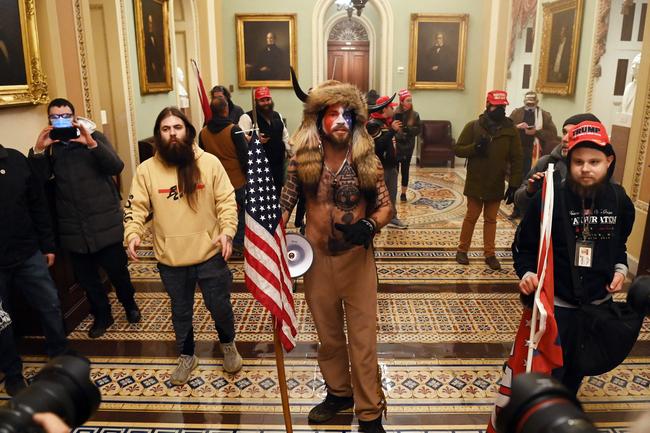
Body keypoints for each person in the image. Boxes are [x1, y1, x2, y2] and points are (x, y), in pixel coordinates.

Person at [281, 75, 393, 433]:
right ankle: (339, 393)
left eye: (346, 114)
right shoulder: (302, 160)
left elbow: (386, 208)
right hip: (316, 262)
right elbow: (285, 204)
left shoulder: (367, 161)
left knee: (362, 340)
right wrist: (268, 239)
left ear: (356, 120)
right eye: (331, 114)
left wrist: (370, 226)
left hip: (356, 263)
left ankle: (370, 412)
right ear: (318, 119)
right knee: (329, 338)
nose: (340, 121)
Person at [513, 120, 635, 395]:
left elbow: (619, 243)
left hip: (596, 307)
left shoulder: (619, 201)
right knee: (547, 376)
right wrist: (527, 273)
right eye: (579, 161)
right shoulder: (550, 198)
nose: (586, 168)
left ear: (609, 160)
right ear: (569, 160)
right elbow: (525, 246)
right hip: (556, 310)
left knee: (576, 371)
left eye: (595, 161)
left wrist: (619, 267)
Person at [124, 107, 241, 385]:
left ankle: (228, 345)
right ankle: (187, 355)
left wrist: (227, 231)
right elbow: (135, 207)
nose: (172, 133)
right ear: (159, 135)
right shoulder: (146, 171)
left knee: (220, 305)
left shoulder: (210, 163)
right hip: (171, 259)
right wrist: (132, 232)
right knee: (180, 311)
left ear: (187, 131)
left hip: (210, 253)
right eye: (166, 129)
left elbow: (226, 202)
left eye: (177, 127)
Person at [29, 98, 140, 339]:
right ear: (49, 121)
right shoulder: (50, 148)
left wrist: (90, 143)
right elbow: (37, 183)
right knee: (87, 279)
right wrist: (39, 150)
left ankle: (129, 304)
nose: (61, 120)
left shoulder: (94, 137)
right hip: (73, 228)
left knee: (117, 272)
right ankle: (102, 314)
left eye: (65, 115)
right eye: (55, 117)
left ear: (74, 117)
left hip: (104, 223)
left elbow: (117, 166)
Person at [0, 144, 69, 396]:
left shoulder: (16, 160)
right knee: (1, 322)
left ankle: (59, 355)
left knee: (50, 304)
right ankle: (12, 373)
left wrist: (48, 245)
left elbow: (38, 205)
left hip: (28, 253)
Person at [454, 90, 522, 270]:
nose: (500, 110)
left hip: (496, 182)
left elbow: (517, 158)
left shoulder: (511, 131)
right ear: (487, 106)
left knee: (491, 219)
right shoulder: (473, 126)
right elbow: (458, 149)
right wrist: (475, 148)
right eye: (496, 106)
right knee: (471, 217)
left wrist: (515, 183)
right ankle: (462, 250)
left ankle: (490, 254)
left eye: (503, 107)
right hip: (476, 181)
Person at [513, 113, 600, 216]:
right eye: (564, 132)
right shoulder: (546, 163)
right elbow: (519, 201)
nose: (564, 139)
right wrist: (529, 191)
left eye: (574, 134)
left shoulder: (600, 171)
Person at [199, 89, 248, 251]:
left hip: (214, 181)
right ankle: (238, 243)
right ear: (226, 109)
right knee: (239, 214)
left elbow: (201, 157)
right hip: (236, 181)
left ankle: (221, 241)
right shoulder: (234, 130)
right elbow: (245, 157)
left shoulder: (203, 133)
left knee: (219, 213)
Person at [508, 91, 558, 218]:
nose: (530, 105)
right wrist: (517, 127)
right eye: (528, 103)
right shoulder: (516, 112)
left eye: (532, 103)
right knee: (517, 178)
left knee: (529, 179)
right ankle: (516, 207)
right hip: (518, 149)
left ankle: (529, 209)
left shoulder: (545, 115)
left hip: (535, 152)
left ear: (537, 102)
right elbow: (507, 128)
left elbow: (552, 133)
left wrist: (536, 132)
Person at [239, 87, 291, 195]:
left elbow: (285, 136)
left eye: (268, 99)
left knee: (276, 196)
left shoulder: (277, 115)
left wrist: (290, 153)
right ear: (256, 102)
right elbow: (240, 139)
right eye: (262, 100)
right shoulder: (247, 117)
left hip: (277, 166)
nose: (266, 103)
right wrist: (254, 139)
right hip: (259, 168)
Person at [368, 95, 407, 229]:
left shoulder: (387, 122)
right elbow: (378, 146)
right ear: (384, 109)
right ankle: (374, 221)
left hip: (391, 166)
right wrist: (391, 131)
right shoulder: (373, 124)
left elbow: (392, 143)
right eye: (391, 107)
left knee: (392, 195)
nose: (394, 109)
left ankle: (392, 218)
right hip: (380, 167)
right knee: (378, 197)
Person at [394, 89, 421, 202]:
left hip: (408, 147)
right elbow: (393, 129)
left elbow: (418, 130)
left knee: (405, 170)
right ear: (401, 102)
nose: (410, 102)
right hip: (396, 147)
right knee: (395, 171)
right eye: (407, 100)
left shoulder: (415, 115)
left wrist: (407, 129)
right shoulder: (395, 113)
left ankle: (403, 194)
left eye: (411, 100)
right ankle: (393, 191)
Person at [145, 14, 166, 83]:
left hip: (158, 66)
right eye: (148, 23)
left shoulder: (156, 37)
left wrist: (163, 65)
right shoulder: (145, 38)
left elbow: (159, 52)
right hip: (150, 68)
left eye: (151, 23)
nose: (150, 25)